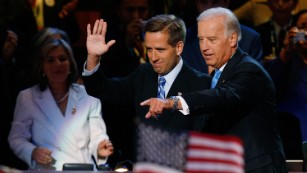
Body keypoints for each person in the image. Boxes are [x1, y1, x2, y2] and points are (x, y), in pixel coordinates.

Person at [141, 7, 287, 172]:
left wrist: (173, 102)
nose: (204, 47)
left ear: (232, 39)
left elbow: (224, 96)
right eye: (201, 39)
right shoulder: (217, 74)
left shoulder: (249, 70)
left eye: (211, 39)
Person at [82, 15, 211, 161]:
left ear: (179, 47)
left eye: (160, 50)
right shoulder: (143, 74)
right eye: (149, 49)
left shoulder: (201, 84)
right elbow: (102, 89)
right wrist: (93, 57)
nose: (153, 57)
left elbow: (203, 139)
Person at [8, 38, 114, 170]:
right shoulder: (27, 98)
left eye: (63, 59)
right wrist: (33, 152)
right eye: (50, 60)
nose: (58, 64)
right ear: (42, 67)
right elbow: (16, 138)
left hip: (82, 169)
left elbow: (97, 135)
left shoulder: (89, 95)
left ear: (70, 64)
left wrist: (100, 148)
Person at [182, 0, 263, 74]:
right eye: (204, 2)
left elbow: (253, 83)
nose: (209, 8)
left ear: (226, 3)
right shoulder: (183, 40)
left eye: (215, 2)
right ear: (197, 4)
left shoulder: (249, 38)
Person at [268, 9, 307, 143]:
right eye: (302, 27)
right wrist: (286, 51)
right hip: (292, 134)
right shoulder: (286, 60)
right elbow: (269, 88)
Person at [255, 0, 298, 65]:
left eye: (285, 0)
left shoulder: (300, 30)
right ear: (269, 4)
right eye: (275, 0)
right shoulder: (258, 32)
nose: (280, 4)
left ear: (295, 4)